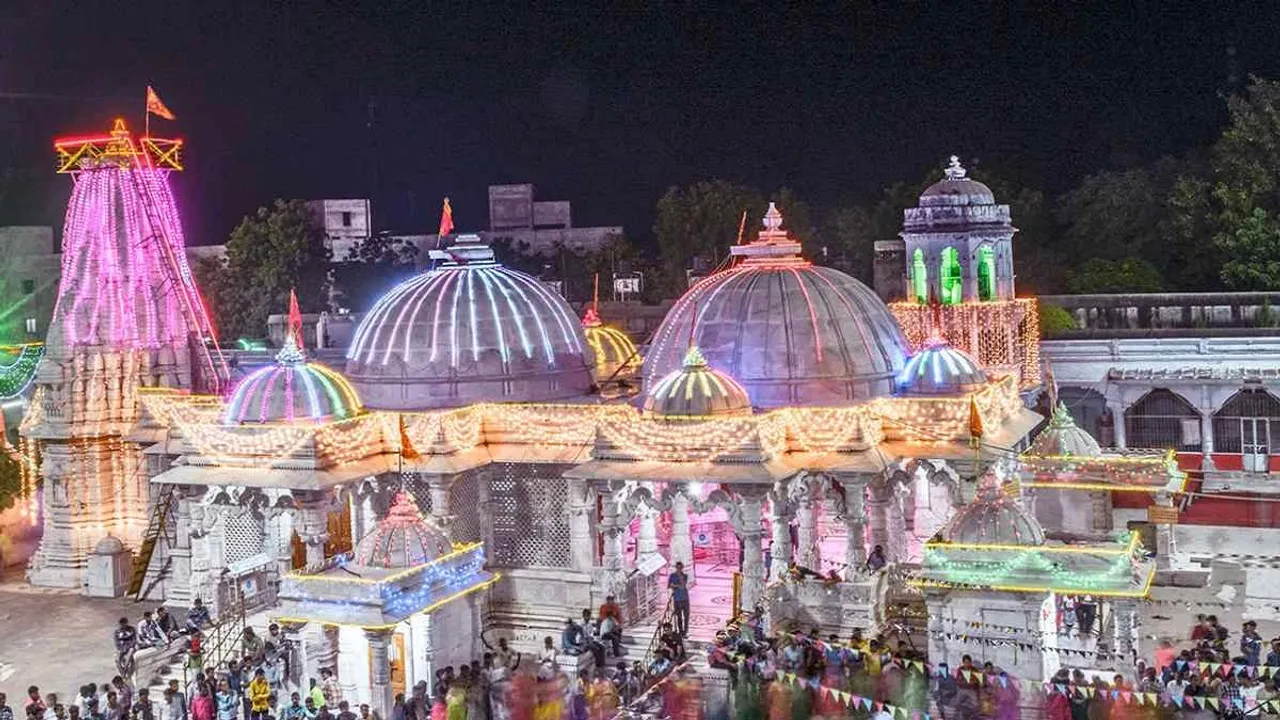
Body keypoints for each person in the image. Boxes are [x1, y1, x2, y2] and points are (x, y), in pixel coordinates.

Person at [667, 562, 690, 637]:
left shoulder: (685, 576)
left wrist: (676, 584)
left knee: (686, 616)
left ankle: (685, 631)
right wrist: (674, 586)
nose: (679, 569)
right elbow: (669, 585)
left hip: (685, 598)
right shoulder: (672, 576)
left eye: (680, 568)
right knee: (679, 616)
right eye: (678, 568)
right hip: (677, 599)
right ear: (676, 567)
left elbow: (683, 586)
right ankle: (680, 631)